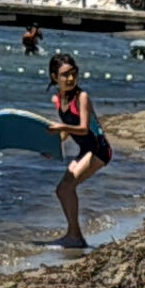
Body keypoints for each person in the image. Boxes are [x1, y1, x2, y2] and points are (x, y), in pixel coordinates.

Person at [42, 51, 109, 249]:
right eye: (65, 75)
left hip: (99, 149)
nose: (70, 78)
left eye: (73, 73)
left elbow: (83, 128)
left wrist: (61, 127)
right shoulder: (59, 100)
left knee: (67, 187)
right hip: (85, 149)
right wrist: (52, 147)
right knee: (62, 190)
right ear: (55, 77)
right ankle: (74, 235)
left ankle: (75, 237)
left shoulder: (82, 97)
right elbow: (68, 132)